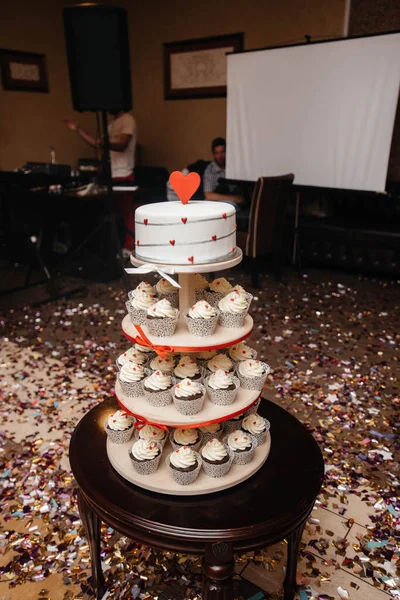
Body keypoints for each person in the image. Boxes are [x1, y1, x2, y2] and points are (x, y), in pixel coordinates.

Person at [64, 111, 137, 252]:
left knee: (126, 213)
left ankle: (128, 248)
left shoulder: (127, 120)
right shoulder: (111, 125)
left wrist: (103, 143)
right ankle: (111, 249)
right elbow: (97, 144)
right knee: (109, 213)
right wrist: (78, 129)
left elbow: (122, 144)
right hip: (109, 175)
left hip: (124, 174)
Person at [203, 137, 244, 206]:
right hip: (218, 202)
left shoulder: (234, 166)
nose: (220, 156)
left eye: (222, 152)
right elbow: (208, 195)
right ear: (213, 154)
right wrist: (234, 198)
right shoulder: (210, 170)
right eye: (217, 153)